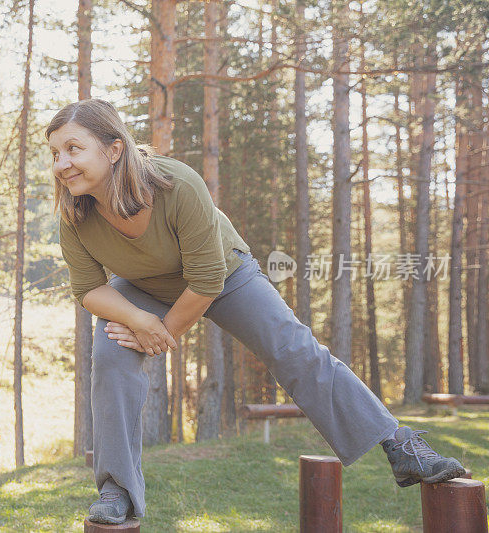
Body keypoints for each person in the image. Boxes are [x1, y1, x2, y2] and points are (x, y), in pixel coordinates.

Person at [47, 98, 466, 525]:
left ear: (114, 149)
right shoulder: (75, 213)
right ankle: (117, 489)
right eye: (56, 153)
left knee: (291, 345)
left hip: (223, 274)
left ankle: (400, 445)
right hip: (141, 289)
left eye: (73, 149)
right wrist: (140, 321)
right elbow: (89, 289)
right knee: (111, 355)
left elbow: (207, 280)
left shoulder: (176, 184)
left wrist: (163, 332)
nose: (62, 163)